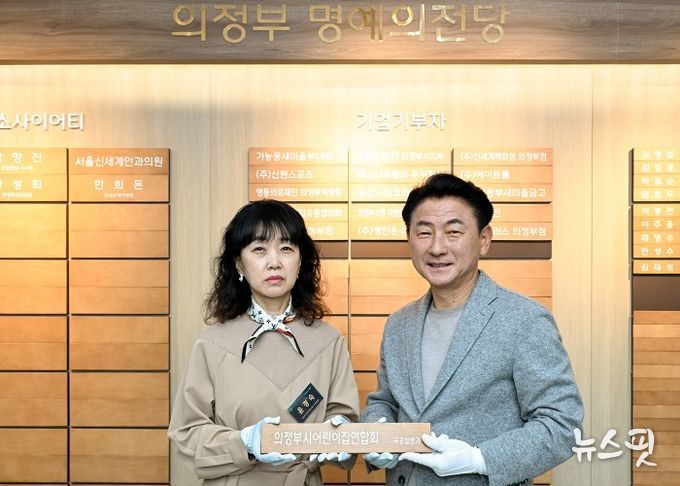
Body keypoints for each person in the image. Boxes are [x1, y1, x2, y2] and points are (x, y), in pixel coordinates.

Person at [361, 173, 583, 486]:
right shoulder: (399, 324)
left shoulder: (525, 320)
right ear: (409, 238)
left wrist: (480, 459)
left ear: (484, 239)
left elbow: (562, 424)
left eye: (453, 232)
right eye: (424, 232)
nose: (437, 247)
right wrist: (378, 434)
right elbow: (384, 402)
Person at [168, 199, 360, 486]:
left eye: (286, 248)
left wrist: (342, 434)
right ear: (238, 263)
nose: (274, 262)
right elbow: (186, 432)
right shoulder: (212, 343)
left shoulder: (328, 341)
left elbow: (343, 420)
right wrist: (244, 442)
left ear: (301, 261)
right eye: (259, 249)